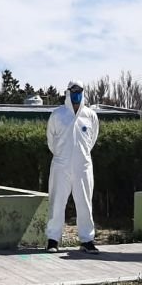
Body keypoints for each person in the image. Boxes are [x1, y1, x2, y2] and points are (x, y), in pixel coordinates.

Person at [46, 80, 100, 254]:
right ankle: (53, 239)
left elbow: (92, 139)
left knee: (85, 203)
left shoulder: (90, 115)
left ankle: (87, 240)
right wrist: (62, 155)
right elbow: (51, 140)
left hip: (83, 166)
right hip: (60, 165)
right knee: (57, 202)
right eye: (73, 90)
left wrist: (80, 155)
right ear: (68, 92)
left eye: (79, 91)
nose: (77, 94)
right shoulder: (57, 114)